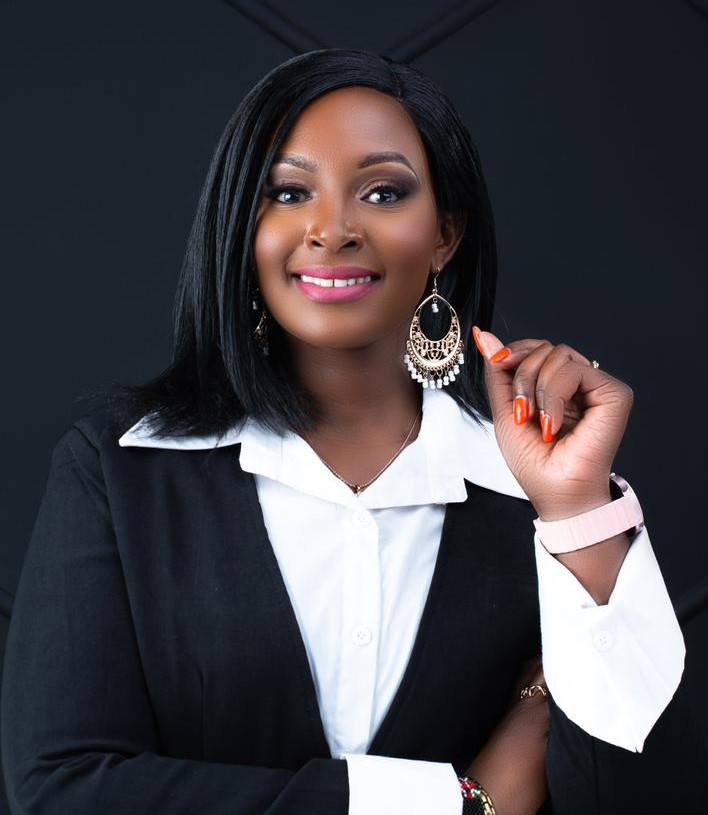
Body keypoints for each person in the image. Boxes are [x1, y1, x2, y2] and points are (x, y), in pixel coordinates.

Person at [1, 49, 706, 815]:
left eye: (382, 191)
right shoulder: (116, 471)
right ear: (242, 226)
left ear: (444, 234)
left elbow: (651, 798)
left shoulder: (536, 495)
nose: (332, 229)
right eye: (287, 191)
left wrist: (577, 512)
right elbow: (59, 790)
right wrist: (457, 802)